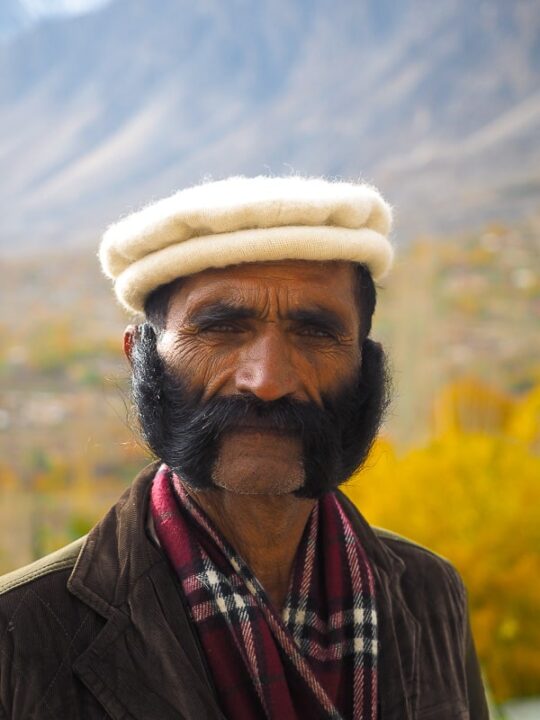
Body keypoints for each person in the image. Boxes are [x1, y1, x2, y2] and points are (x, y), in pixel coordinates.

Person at [0, 176, 488, 719]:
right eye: (222, 328)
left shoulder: (430, 595)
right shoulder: (19, 634)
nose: (268, 379)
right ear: (141, 356)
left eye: (315, 332)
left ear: (365, 366)